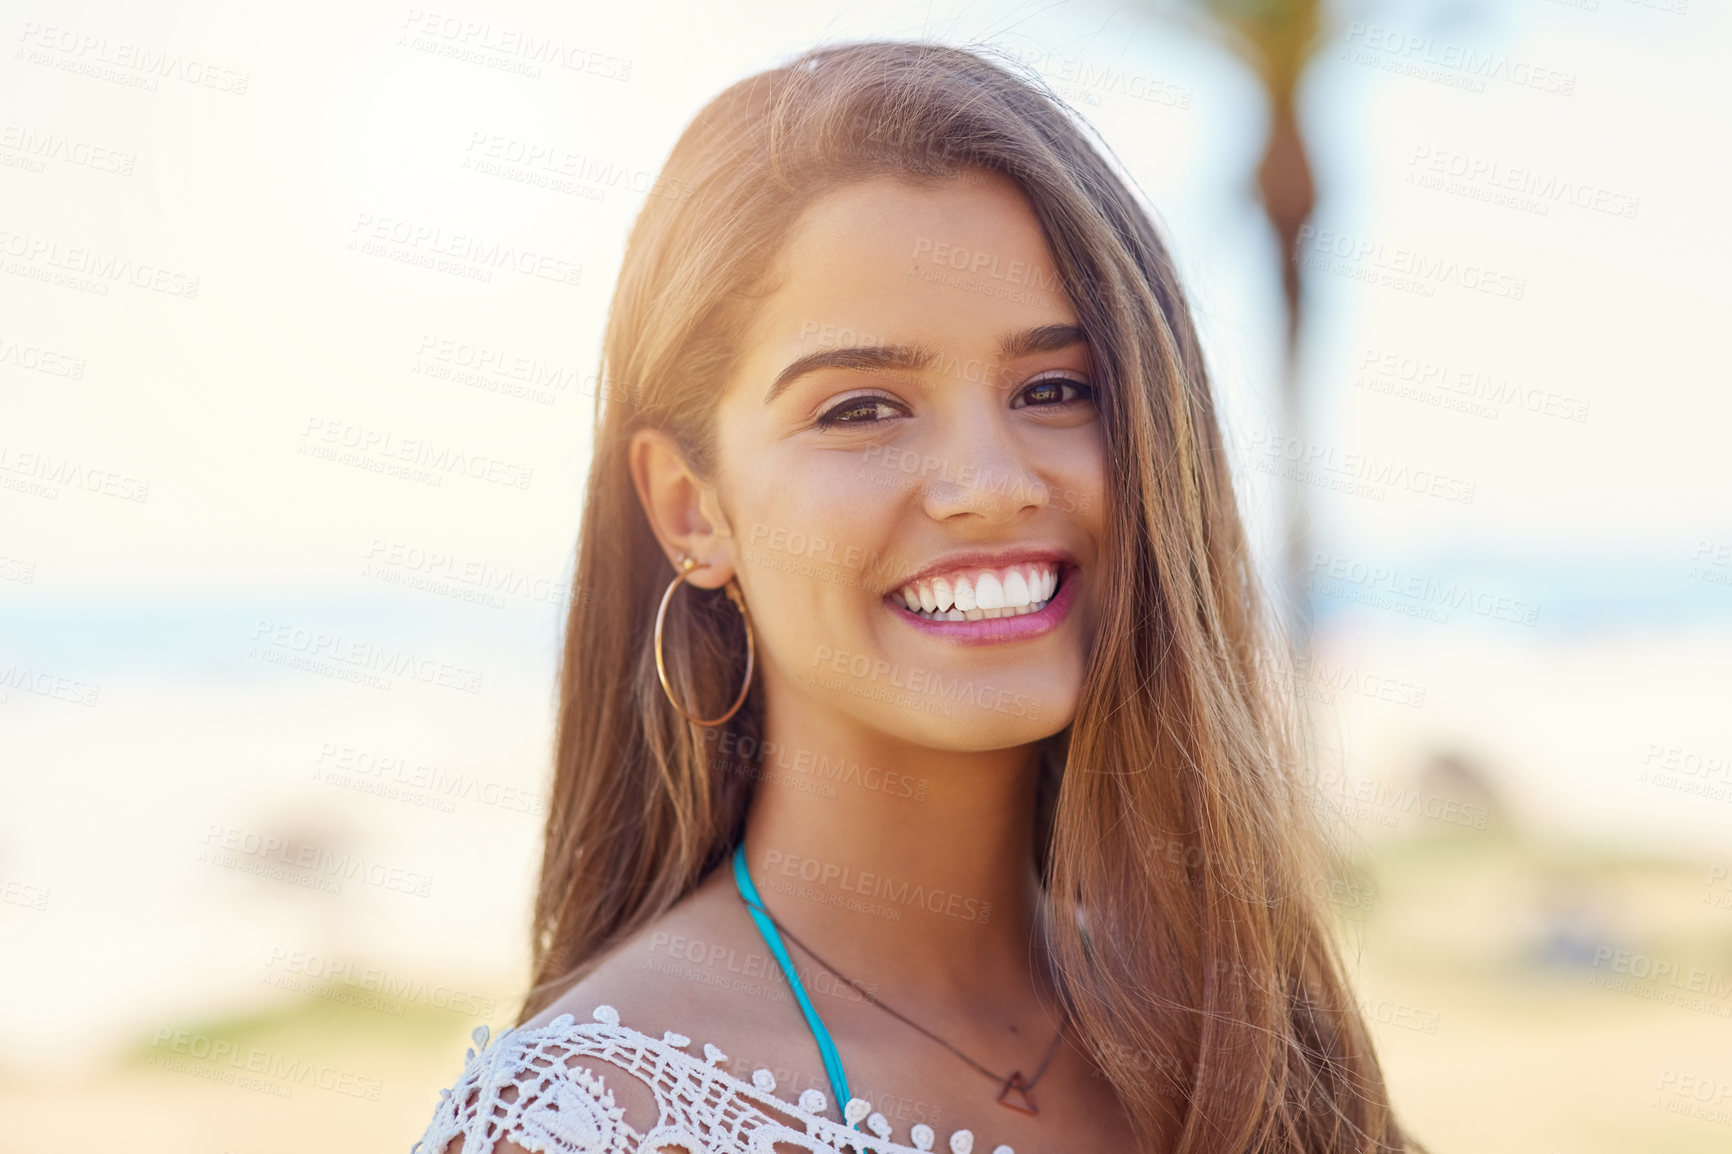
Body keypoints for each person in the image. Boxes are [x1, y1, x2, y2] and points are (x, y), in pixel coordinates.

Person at [414, 39, 1415, 1154]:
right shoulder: (587, 1120)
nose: (989, 486)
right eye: (861, 408)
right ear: (693, 508)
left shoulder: (1241, 1031)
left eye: (1053, 388)